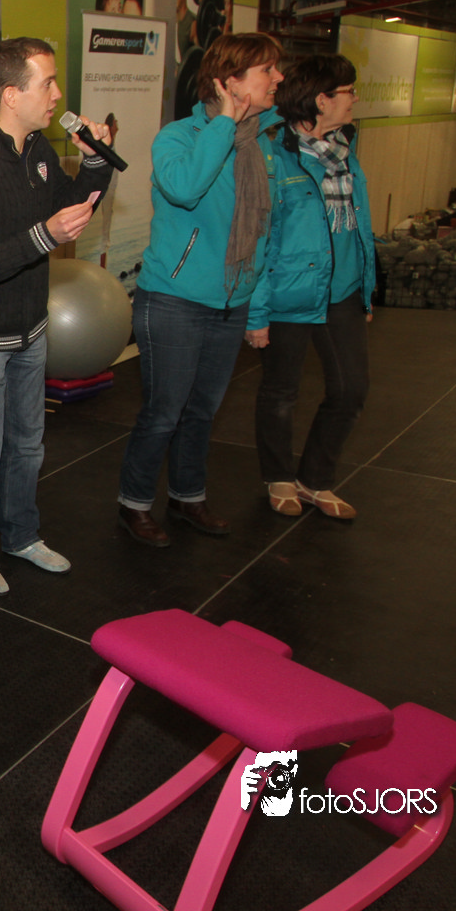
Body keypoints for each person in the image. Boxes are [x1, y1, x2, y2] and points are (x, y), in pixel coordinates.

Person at [0, 38, 112, 594]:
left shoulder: (37, 149)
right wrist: (43, 236)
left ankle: (20, 535)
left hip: (30, 328)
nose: (58, 94)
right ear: (11, 95)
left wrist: (95, 162)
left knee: (28, 446)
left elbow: (70, 212)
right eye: (47, 83)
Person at [116, 32, 284, 548]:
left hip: (232, 301)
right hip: (174, 300)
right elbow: (185, 188)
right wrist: (225, 124)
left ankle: (188, 496)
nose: (278, 78)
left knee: (202, 411)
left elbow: (265, 233)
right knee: (163, 413)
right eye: (267, 70)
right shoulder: (178, 137)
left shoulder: (264, 144)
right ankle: (134, 503)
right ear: (229, 81)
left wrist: (257, 307)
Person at [248, 55, 373, 520]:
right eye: (348, 91)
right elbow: (260, 239)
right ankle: (278, 476)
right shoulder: (274, 154)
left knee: (351, 390)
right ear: (322, 100)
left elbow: (360, 226)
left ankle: (315, 479)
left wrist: (366, 288)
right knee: (281, 391)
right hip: (290, 292)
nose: (354, 99)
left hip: (342, 292)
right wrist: (257, 313)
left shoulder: (346, 150)